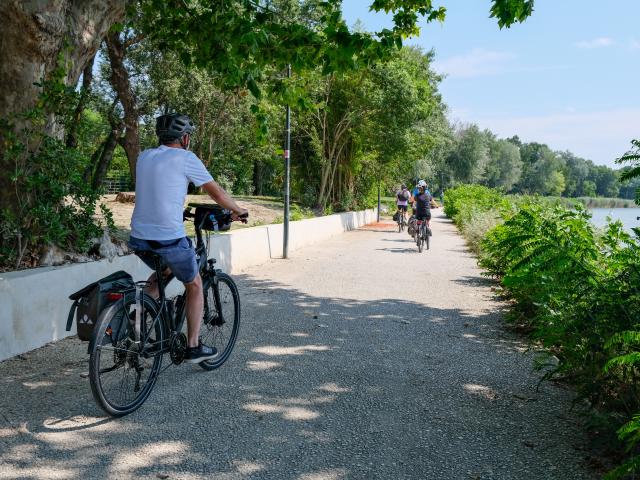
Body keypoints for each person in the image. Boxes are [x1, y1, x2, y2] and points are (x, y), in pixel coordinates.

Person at [128, 113, 248, 363]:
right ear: (184, 138)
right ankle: (193, 346)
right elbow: (216, 192)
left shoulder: (144, 156)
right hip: (167, 239)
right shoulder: (185, 158)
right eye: (188, 135)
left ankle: (135, 322)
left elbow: (159, 189)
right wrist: (238, 210)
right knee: (193, 283)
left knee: (162, 273)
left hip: (139, 238)